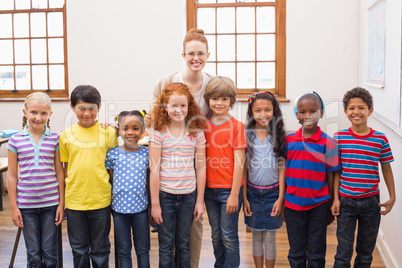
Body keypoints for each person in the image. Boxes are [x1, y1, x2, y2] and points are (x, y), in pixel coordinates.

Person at [153, 28, 212, 268]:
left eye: (200, 53)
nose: (195, 58)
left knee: (190, 235)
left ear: (208, 54)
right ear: (183, 54)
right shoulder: (166, 82)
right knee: (167, 239)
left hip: (194, 156)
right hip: (168, 169)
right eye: (191, 53)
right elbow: (155, 115)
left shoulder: (211, 85)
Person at [331, 87, 396, 267]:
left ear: (370, 110)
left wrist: (392, 197)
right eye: (352, 108)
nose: (356, 112)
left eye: (361, 107)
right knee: (343, 253)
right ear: (345, 112)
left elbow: (386, 168)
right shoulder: (338, 137)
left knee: (366, 254)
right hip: (346, 201)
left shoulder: (380, 139)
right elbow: (335, 171)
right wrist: (335, 198)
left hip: (371, 202)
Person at [148, 83, 206, 268]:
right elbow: (154, 170)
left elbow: (201, 167)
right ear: (165, 107)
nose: (178, 110)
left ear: (189, 107)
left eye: (183, 105)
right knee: (166, 246)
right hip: (165, 197)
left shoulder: (196, 133)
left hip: (188, 197)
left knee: (183, 245)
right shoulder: (158, 133)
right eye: (173, 105)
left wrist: (199, 201)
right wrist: (155, 205)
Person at [59, 85, 118, 267]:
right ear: (72, 107)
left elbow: (113, 169)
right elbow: (66, 169)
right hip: (75, 201)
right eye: (81, 108)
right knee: (78, 249)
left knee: (101, 248)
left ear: (98, 108)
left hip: (101, 199)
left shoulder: (109, 133)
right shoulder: (65, 136)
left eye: (91, 108)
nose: (87, 113)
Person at [7, 92, 65, 267]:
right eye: (33, 112)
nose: (38, 117)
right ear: (24, 112)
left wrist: (61, 204)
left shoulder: (55, 139)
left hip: (51, 205)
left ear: (50, 114)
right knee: (33, 253)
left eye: (43, 113)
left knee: (50, 251)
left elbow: (60, 173)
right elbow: (11, 175)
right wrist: (14, 207)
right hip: (26, 206)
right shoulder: (15, 140)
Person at [285, 92, 341, 268]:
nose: (307, 116)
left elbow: (332, 173)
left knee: (317, 252)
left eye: (313, 111)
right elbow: (282, 174)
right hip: (293, 205)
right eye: (302, 112)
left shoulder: (328, 143)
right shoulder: (288, 142)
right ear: (297, 115)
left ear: (321, 113)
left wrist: (333, 201)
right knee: (296, 252)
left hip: (319, 205)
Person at [203, 76, 247, 268]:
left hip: (229, 190)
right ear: (208, 100)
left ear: (231, 101)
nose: (219, 103)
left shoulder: (236, 126)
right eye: (214, 98)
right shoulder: (203, 125)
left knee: (229, 235)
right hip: (209, 191)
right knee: (215, 235)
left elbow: (240, 164)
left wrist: (234, 195)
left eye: (224, 99)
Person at [243, 91, 286, 268]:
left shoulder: (279, 136)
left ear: (274, 110)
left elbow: (282, 168)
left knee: (270, 237)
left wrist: (281, 198)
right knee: (256, 235)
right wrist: (244, 197)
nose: (263, 114)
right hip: (252, 194)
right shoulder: (247, 135)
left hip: (273, 194)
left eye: (267, 110)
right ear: (251, 112)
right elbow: (244, 169)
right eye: (258, 110)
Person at [105, 110, 150, 268]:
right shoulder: (112, 155)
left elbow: (149, 183)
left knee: (142, 249)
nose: (130, 132)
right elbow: (110, 179)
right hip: (119, 211)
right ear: (119, 130)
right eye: (125, 128)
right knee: (123, 250)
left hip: (141, 211)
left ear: (142, 131)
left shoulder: (147, 154)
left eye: (135, 128)